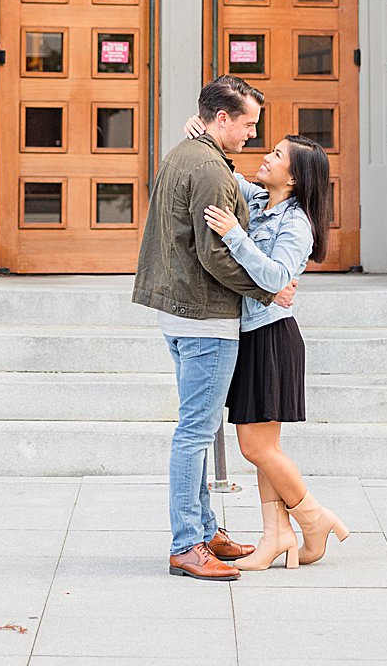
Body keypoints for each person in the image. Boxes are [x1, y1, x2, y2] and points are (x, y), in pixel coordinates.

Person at [130, 75, 295, 582]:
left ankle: (204, 530)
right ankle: (187, 545)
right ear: (222, 118)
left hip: (181, 312)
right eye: (248, 124)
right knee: (195, 433)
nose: (252, 135)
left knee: (199, 430)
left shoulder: (188, 153)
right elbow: (214, 253)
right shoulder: (210, 170)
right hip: (204, 317)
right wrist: (268, 291)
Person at [200, 130, 348, 569]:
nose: (266, 155)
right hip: (253, 336)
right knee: (264, 447)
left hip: (272, 338)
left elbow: (274, 277)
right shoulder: (262, 201)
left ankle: (313, 517)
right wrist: (203, 132)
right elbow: (227, 174)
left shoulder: (296, 223)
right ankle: (276, 535)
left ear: (296, 177)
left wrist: (233, 235)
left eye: (278, 154)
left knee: (256, 447)